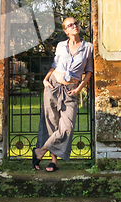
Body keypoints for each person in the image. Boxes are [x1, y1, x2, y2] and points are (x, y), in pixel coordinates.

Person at [32, 17, 93, 172]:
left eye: (76, 23)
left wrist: (79, 89)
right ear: (66, 31)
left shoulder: (88, 47)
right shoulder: (60, 46)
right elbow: (55, 65)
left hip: (71, 90)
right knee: (52, 124)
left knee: (66, 127)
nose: (74, 26)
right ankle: (53, 162)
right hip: (52, 86)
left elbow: (89, 71)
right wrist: (45, 80)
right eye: (70, 25)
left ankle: (40, 151)